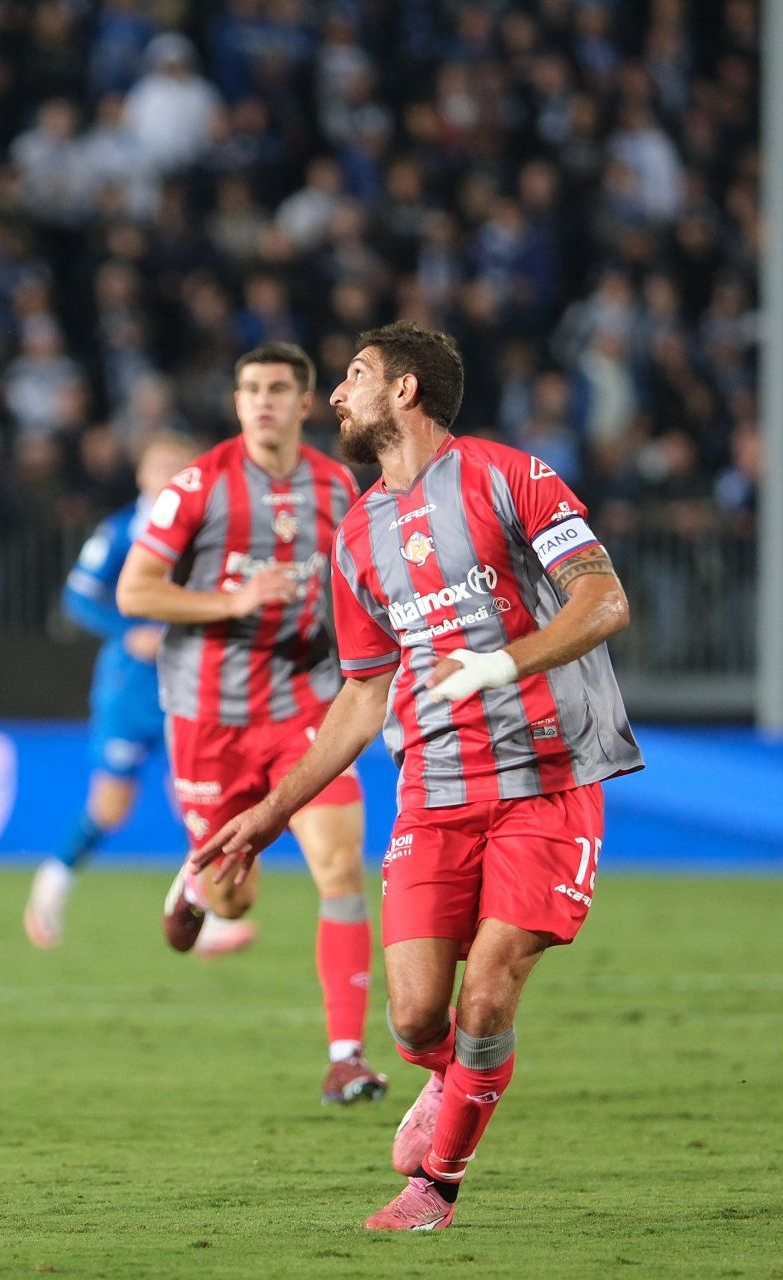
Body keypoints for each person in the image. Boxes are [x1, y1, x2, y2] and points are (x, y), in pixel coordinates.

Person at [196, 321, 641, 1230]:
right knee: (412, 1020)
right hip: (434, 787)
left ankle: (435, 1186)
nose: (335, 394)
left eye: (353, 375)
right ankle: (450, 1080)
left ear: (404, 391)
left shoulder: (509, 476)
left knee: (488, 992)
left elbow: (606, 598)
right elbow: (362, 697)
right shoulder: (357, 535)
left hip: (548, 780)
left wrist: (502, 663)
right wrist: (271, 811)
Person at [114, 343, 388, 1106]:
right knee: (237, 901)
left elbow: (362, 587)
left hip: (304, 707)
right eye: (250, 389)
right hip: (209, 720)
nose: (263, 401)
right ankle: (201, 889)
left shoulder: (339, 488)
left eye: (278, 389)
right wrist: (229, 604)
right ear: (237, 404)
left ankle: (346, 1057)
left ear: (306, 403)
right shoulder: (199, 485)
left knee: (340, 868)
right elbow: (137, 592)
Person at [24, 433, 255, 955]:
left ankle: (203, 916)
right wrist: (126, 629)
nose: (171, 476)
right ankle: (53, 882)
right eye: (161, 468)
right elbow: (78, 597)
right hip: (130, 687)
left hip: (191, 683)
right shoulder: (123, 529)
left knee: (197, 801)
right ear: (142, 477)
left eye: (180, 467)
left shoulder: (209, 532)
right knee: (110, 806)